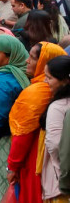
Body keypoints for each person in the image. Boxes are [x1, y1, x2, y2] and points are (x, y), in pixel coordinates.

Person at [7, 42, 67, 203]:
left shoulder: (38, 93)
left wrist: (13, 166)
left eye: (33, 58)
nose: (27, 61)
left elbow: (23, 135)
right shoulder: (52, 91)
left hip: (35, 158)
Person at [0, 35, 30, 203]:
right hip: (17, 142)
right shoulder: (23, 74)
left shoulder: (2, 80)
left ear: (9, 57)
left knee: (1, 191)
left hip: (2, 144)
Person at [40, 55, 70, 203]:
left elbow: (55, 145)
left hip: (60, 181)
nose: (46, 81)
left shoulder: (58, 107)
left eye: (49, 77)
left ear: (65, 80)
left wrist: (63, 174)